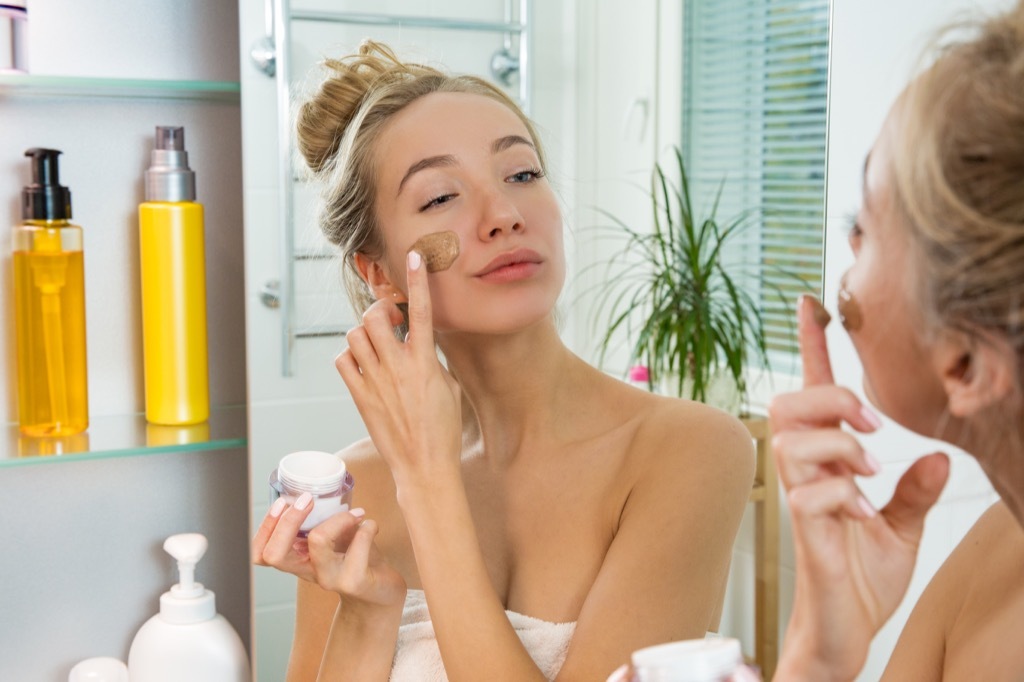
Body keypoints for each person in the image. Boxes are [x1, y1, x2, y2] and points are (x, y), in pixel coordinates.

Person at [251, 41, 755, 681]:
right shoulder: (355, 488)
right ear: (379, 273)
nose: (506, 216)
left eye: (521, 174)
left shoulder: (687, 452)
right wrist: (368, 614)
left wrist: (428, 483)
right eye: (441, 198)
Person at [769, 1, 1024, 679]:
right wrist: (819, 649)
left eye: (868, 222)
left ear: (966, 364)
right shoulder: (1000, 547)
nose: (848, 244)